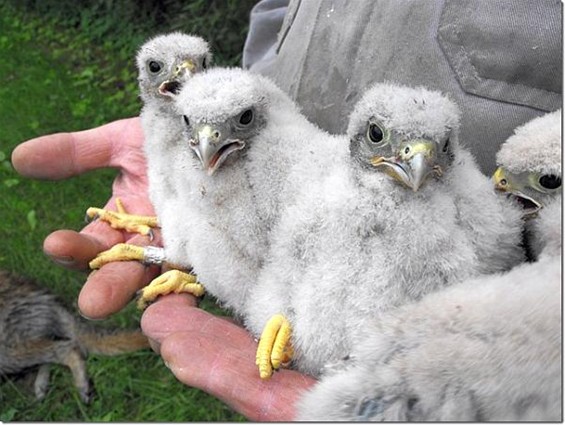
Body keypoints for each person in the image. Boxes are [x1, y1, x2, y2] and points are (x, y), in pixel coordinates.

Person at [10, 0, 562, 420]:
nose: (412, 163)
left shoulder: (469, 206)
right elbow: (288, 255)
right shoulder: (285, 171)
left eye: (428, 151)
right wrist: (272, 307)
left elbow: (485, 259)